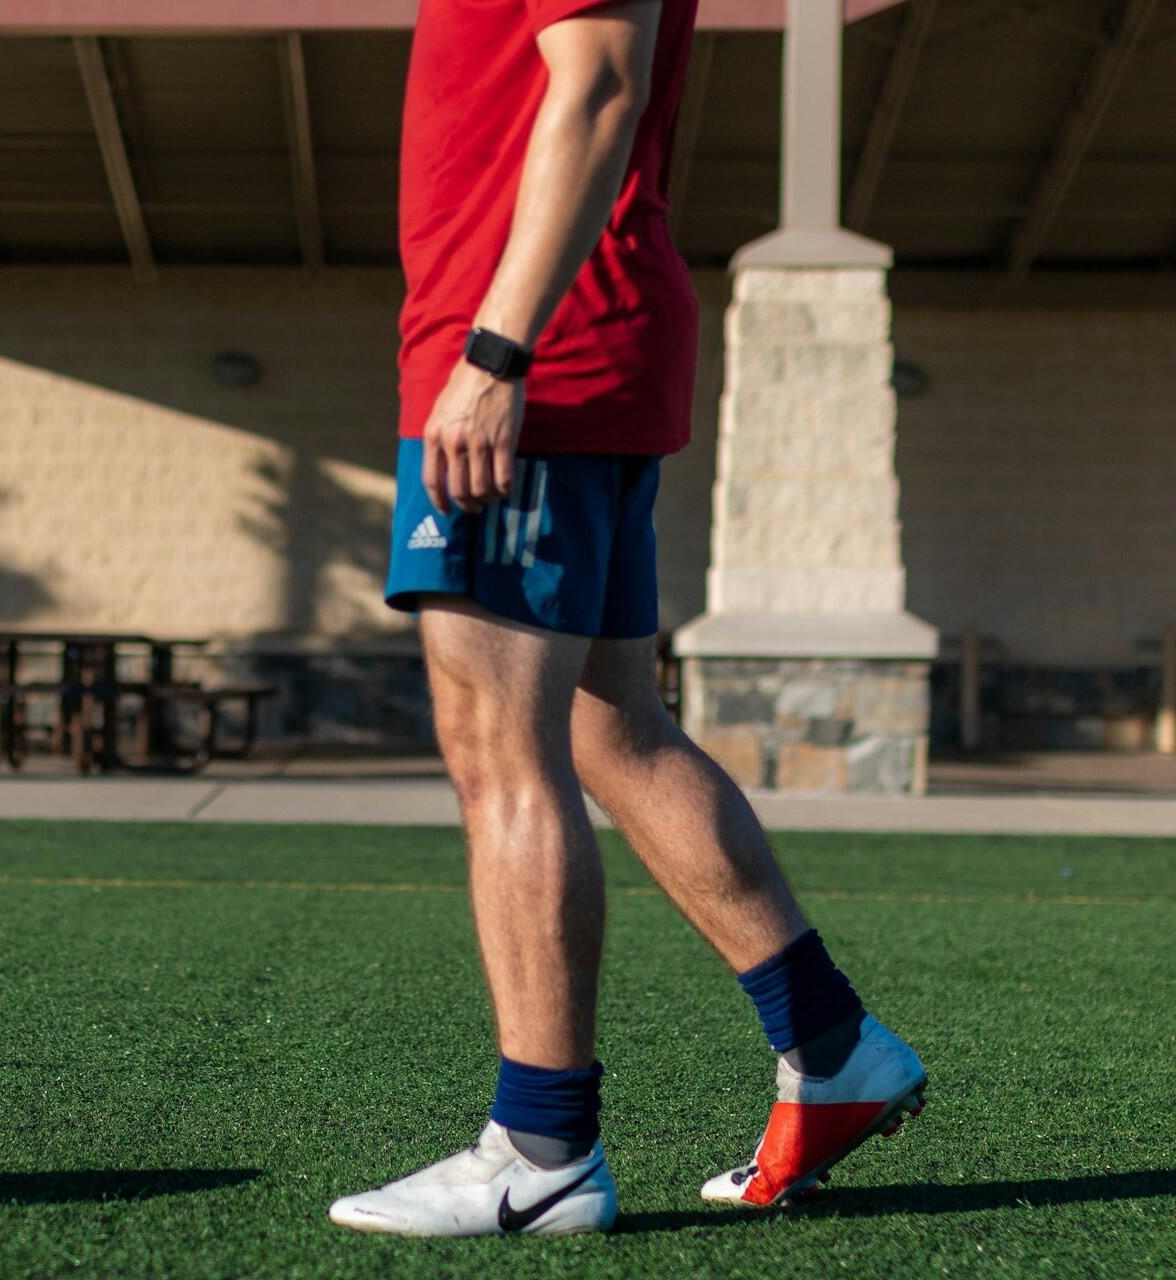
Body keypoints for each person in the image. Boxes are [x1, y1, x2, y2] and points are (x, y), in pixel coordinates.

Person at [326, 0, 926, 1238]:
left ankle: (541, 1146)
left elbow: (599, 84)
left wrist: (496, 354)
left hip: (534, 354)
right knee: (615, 729)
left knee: (501, 746)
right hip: (570, 343)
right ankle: (831, 1042)